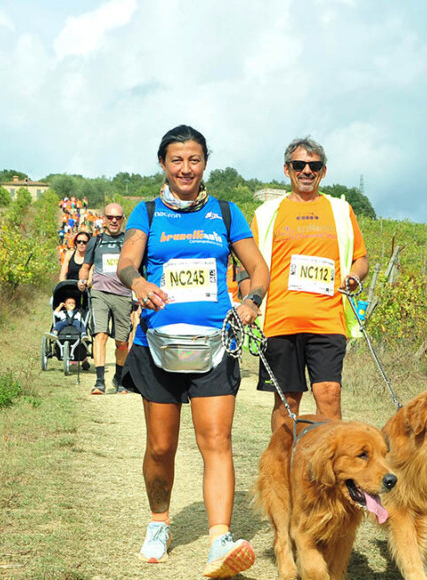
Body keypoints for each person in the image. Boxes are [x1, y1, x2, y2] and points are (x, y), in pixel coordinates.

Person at [116, 125, 270, 577]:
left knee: (216, 442)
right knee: (161, 446)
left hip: (215, 345)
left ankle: (220, 538)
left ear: (205, 162)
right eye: (177, 160)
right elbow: (126, 263)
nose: (186, 169)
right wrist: (139, 284)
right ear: (163, 163)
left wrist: (251, 301)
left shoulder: (225, 213)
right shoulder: (147, 212)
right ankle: (159, 523)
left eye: (194, 160)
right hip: (157, 346)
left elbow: (259, 268)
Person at [250, 136, 368, 432]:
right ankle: (285, 459)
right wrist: (249, 301)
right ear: (287, 169)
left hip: (328, 320)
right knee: (287, 402)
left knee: (329, 394)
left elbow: (361, 259)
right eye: (299, 165)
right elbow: (248, 264)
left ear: (323, 171)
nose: (306, 171)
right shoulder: (266, 214)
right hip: (279, 321)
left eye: (314, 166)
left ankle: (330, 459)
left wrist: (355, 277)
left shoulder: (341, 210)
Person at [78, 203, 133, 395]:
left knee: (121, 342)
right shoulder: (96, 241)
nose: (114, 221)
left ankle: (119, 378)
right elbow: (85, 267)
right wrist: (82, 280)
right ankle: (99, 381)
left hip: (123, 295)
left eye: (118, 217)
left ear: (123, 219)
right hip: (99, 293)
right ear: (104, 218)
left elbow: (138, 267)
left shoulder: (129, 241)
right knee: (99, 335)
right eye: (110, 217)